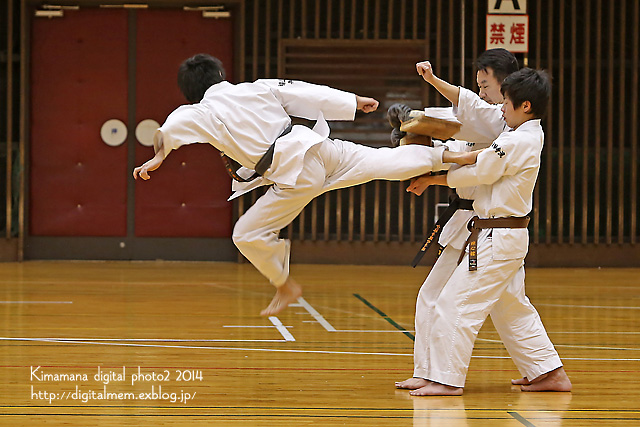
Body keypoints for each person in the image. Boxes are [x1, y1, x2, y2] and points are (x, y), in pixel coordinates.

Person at [133, 53, 465, 316]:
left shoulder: (202, 111)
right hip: (315, 146)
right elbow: (302, 90)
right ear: (221, 76)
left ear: (192, 92)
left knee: (245, 234)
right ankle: (452, 155)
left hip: (293, 173)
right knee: (377, 161)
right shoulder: (256, 87)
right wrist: (352, 101)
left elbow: (174, 123)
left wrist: (159, 156)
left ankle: (285, 285)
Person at [398, 64, 572, 396]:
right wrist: (436, 165)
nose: (500, 109)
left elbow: (480, 170)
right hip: (501, 235)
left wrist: (435, 168)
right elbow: (481, 159)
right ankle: (548, 372)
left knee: (453, 302)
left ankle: (445, 379)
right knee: (511, 308)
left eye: (505, 103)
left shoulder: (519, 139)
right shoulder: (519, 136)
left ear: (525, 106)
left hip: (499, 236)